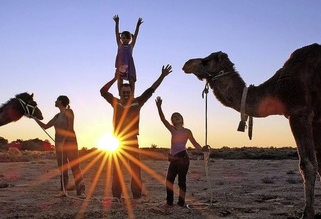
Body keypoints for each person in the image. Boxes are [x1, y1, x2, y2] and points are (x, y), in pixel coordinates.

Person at [100, 65, 172, 200]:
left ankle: (137, 197)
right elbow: (103, 91)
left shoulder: (138, 102)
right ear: (120, 93)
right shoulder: (115, 102)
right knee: (117, 171)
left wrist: (162, 76)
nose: (126, 94)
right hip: (117, 141)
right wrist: (115, 79)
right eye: (123, 92)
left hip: (132, 140)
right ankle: (116, 196)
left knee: (135, 170)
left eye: (128, 92)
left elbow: (151, 90)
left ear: (132, 92)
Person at [155, 96, 204, 207]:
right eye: (174, 117)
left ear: (182, 119)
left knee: (181, 181)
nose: (176, 117)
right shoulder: (172, 129)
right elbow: (163, 119)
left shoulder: (187, 131)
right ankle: (169, 202)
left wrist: (203, 149)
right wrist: (159, 107)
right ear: (172, 121)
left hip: (183, 158)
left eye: (178, 116)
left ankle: (181, 203)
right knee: (169, 181)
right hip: (173, 158)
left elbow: (195, 143)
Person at [35, 95, 85, 198]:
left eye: (57, 100)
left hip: (70, 144)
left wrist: (63, 141)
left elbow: (70, 128)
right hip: (59, 145)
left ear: (61, 102)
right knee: (63, 168)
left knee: (75, 167)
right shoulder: (57, 116)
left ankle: (81, 192)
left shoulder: (69, 112)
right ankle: (63, 191)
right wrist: (34, 118)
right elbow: (45, 126)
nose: (55, 101)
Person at [113, 14, 143, 94]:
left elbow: (136, 35)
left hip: (129, 65)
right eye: (123, 38)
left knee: (132, 80)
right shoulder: (120, 45)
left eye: (127, 38)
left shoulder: (131, 46)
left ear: (130, 39)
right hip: (121, 64)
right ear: (121, 38)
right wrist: (117, 23)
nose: (125, 39)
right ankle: (120, 93)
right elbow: (116, 33)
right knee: (119, 79)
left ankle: (132, 95)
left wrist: (138, 25)